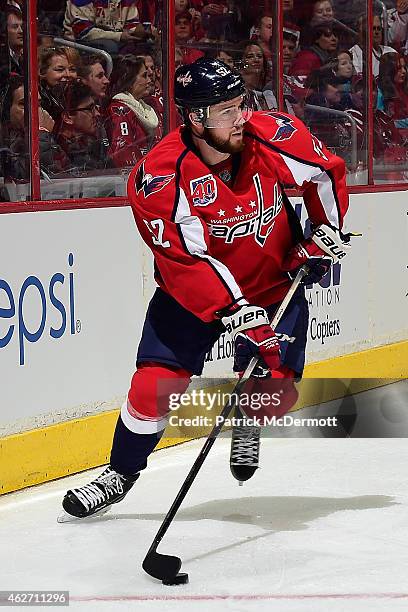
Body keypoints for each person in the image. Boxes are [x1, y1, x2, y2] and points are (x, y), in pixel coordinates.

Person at [60, 58, 350, 519]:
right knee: (154, 386)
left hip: (272, 286)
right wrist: (237, 311)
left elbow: (325, 172)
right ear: (196, 118)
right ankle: (120, 472)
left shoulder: (270, 135)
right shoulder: (159, 178)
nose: (242, 118)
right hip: (192, 296)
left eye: (242, 105)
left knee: (272, 388)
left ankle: (249, 421)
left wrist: (323, 231)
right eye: (228, 110)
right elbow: (187, 262)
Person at [105, 55, 159, 168]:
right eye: (144, 76)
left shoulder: (145, 108)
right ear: (129, 80)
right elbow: (123, 155)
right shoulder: (118, 110)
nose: (149, 80)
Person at [53, 80, 110, 172]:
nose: (97, 113)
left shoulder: (93, 142)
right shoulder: (57, 152)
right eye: (90, 109)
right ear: (67, 117)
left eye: (96, 107)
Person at [63, 0, 149, 55]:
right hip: (79, 44)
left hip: (117, 40)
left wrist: (142, 31)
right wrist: (119, 36)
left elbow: (131, 26)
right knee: (110, 46)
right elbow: (84, 32)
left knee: (147, 45)